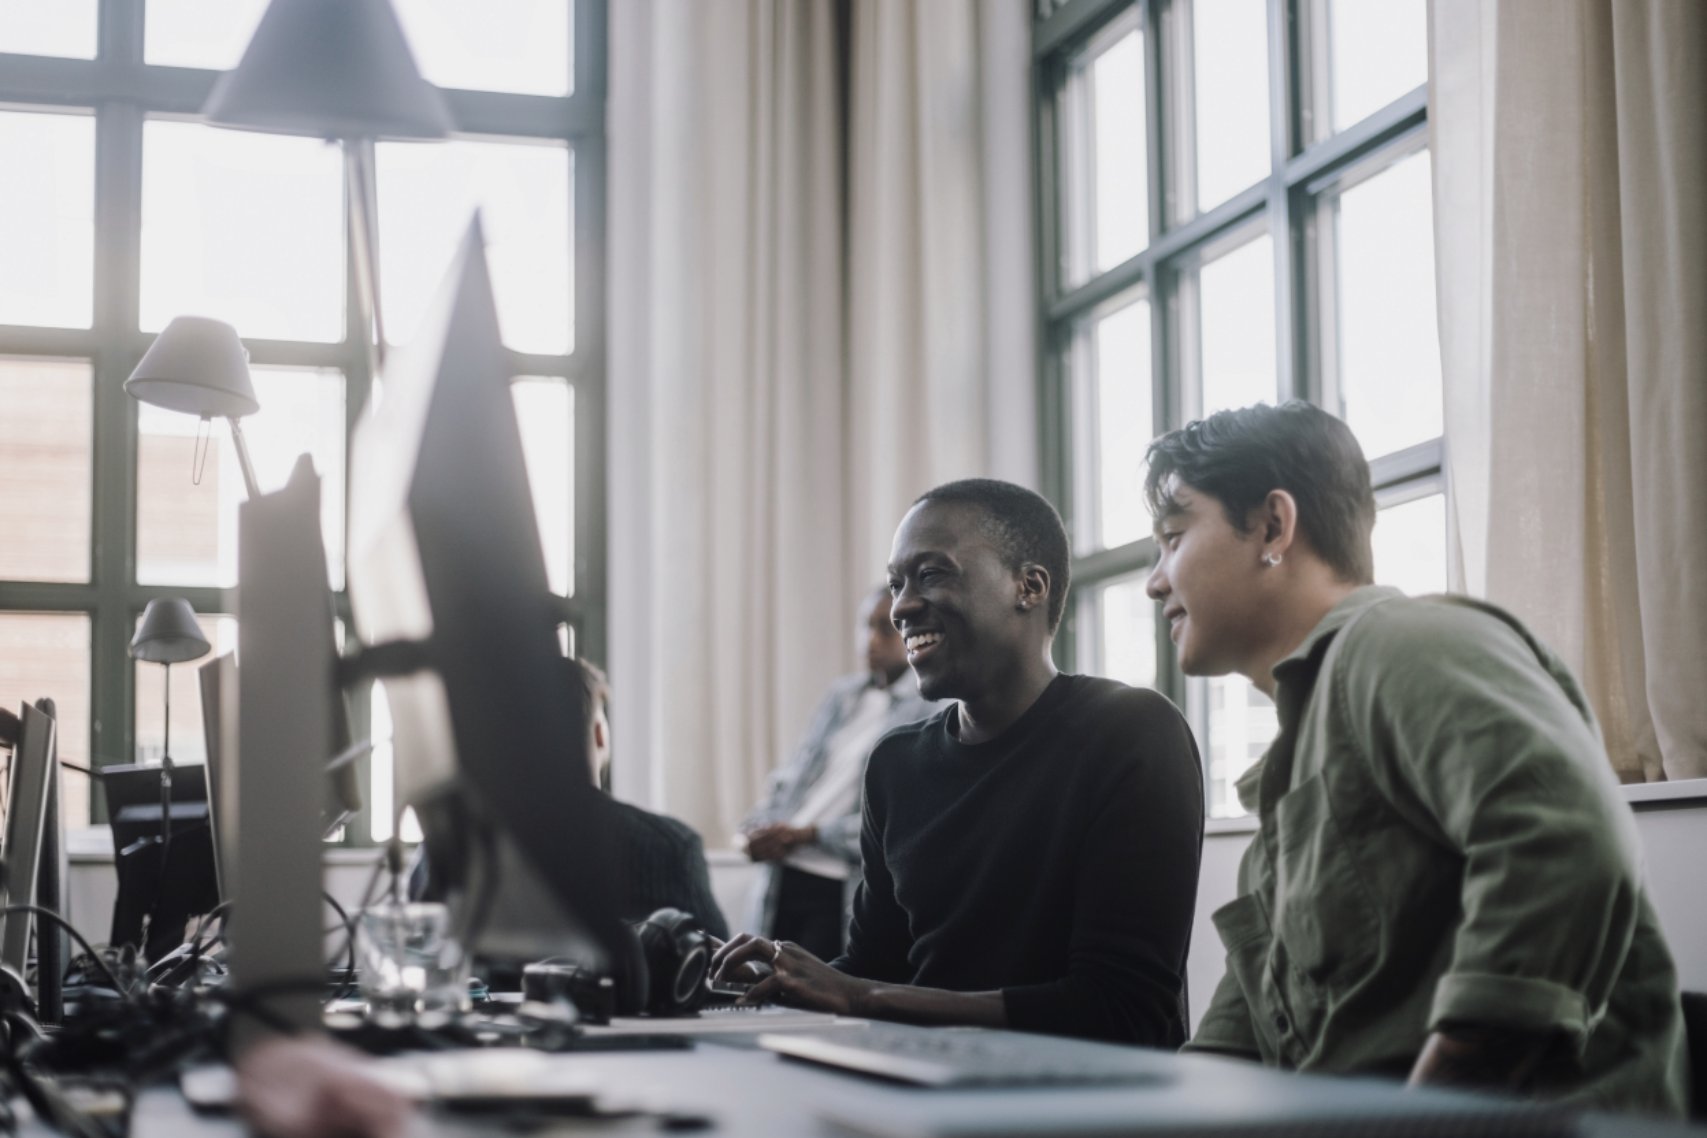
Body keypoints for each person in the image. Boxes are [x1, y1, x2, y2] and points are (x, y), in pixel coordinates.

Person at [1144, 402, 1688, 1114]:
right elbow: (1237, 1041)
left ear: (1273, 526)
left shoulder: (1401, 643)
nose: (1155, 580)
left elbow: (1565, 844)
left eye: (1173, 538)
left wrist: (1426, 1113)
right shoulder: (1293, 776)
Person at [714, 479, 1203, 1046]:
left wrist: (859, 994)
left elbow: (1121, 1010)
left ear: (1029, 586)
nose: (901, 607)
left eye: (932, 574)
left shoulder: (1131, 731)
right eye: (898, 583)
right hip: (925, 1085)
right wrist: (770, 981)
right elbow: (877, 972)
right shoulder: (896, 765)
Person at [412, 656, 728, 941]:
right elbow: (719, 973)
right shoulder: (672, 848)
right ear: (600, 734)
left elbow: (416, 949)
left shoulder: (447, 843)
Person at [737, 586, 937, 960]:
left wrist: (811, 834)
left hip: (839, 887)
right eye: (866, 626)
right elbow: (793, 776)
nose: (871, 641)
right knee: (763, 993)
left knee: (817, 1003)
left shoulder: (930, 710)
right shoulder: (841, 695)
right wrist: (756, 827)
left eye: (886, 628)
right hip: (783, 877)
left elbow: (899, 819)